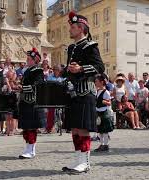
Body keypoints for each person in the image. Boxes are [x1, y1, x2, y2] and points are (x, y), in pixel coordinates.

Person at [62, 11, 104, 173]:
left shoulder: (90, 46)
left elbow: (100, 67)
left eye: (73, 27)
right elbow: (69, 71)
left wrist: (81, 68)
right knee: (75, 128)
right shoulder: (72, 47)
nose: (70, 30)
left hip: (85, 91)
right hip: (72, 92)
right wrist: (68, 70)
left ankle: (85, 163)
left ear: (81, 28)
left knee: (83, 128)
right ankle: (78, 160)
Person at [18, 47, 45, 159]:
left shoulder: (38, 71)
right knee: (26, 126)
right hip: (25, 101)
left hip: (32, 101)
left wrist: (23, 87)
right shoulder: (28, 70)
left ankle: (31, 149)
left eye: (29, 59)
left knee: (31, 126)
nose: (27, 60)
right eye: (27, 58)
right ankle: (28, 148)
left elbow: (37, 86)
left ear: (35, 60)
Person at [93, 74, 114, 152]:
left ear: (101, 82)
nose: (95, 83)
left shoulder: (106, 92)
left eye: (96, 81)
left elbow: (109, 103)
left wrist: (102, 101)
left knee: (105, 131)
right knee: (100, 130)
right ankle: (101, 144)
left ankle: (106, 145)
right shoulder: (98, 91)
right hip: (98, 112)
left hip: (104, 112)